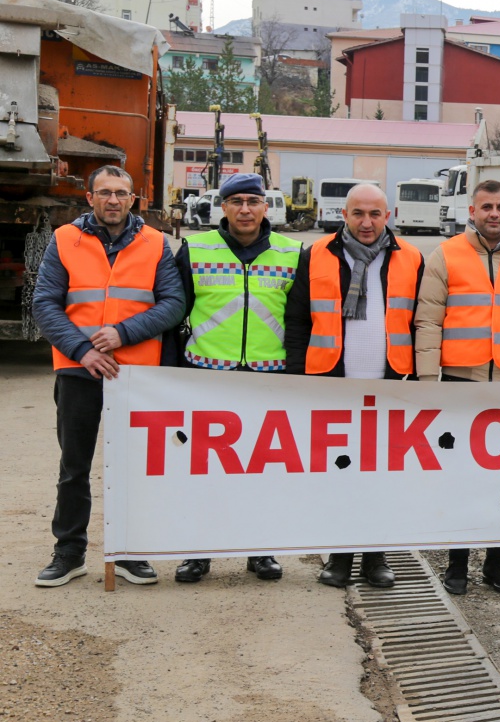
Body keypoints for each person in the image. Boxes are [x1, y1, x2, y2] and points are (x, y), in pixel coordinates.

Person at [31, 165, 186, 587]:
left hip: (137, 376)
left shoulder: (156, 243)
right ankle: (69, 553)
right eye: (104, 193)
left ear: (133, 200)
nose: (113, 200)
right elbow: (45, 303)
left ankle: (129, 553)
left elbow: (174, 304)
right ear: (89, 197)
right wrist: (83, 351)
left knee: (134, 467)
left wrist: (123, 333)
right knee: (74, 466)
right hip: (78, 372)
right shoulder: (65, 239)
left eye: (121, 193)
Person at [415, 179, 500, 595]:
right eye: (486, 206)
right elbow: (428, 320)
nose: (494, 213)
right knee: (462, 478)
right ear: (471, 211)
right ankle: (457, 565)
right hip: (461, 382)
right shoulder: (446, 254)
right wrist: (427, 382)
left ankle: (496, 562)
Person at [285, 183, 424, 589]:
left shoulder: (411, 257)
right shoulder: (315, 255)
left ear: (389, 215)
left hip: (391, 382)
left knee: (382, 476)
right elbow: (297, 320)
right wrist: (298, 377)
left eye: (375, 214)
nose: (367, 222)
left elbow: (420, 321)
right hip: (333, 381)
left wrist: (415, 379)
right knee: (340, 475)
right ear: (343, 215)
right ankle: (341, 556)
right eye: (358, 213)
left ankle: (376, 555)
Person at [172, 172, 302, 582]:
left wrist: (298, 374)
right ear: (222, 207)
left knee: (263, 471)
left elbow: (302, 321)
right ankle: (199, 552)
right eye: (236, 201)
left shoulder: (294, 253)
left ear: (266, 207)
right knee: (205, 470)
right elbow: (174, 313)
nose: (245, 209)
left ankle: (259, 550)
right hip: (208, 375)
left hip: (269, 377)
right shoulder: (195, 249)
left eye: (252, 201)